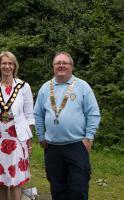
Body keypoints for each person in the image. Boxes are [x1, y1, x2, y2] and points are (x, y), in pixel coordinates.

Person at [34, 51, 101, 200]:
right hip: (52, 147)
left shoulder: (82, 86)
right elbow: (37, 114)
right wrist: (40, 136)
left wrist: (89, 137)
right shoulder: (45, 88)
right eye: (58, 63)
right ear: (53, 67)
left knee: (79, 188)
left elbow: (93, 113)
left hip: (77, 145)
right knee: (57, 189)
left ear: (72, 66)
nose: (61, 66)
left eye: (65, 63)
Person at [0, 51, 35, 200]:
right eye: (4, 63)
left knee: (15, 177)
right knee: (0, 174)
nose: (7, 66)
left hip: (17, 136)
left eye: (10, 63)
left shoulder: (24, 87)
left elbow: (30, 116)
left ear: (14, 66)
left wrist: (28, 140)